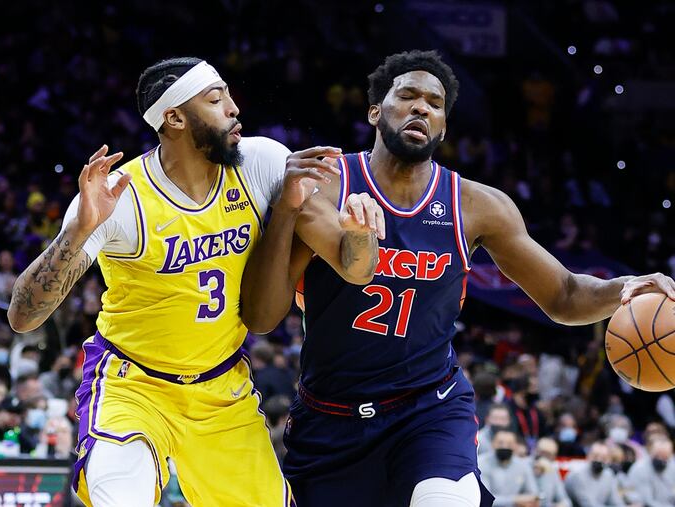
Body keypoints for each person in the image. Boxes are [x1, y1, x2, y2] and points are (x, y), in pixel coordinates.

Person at [243, 49, 675, 507]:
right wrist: (285, 212)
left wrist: (624, 287)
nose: (421, 108)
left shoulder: (476, 206)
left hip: (428, 411)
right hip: (330, 417)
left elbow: (564, 295)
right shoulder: (325, 185)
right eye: (407, 96)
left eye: (435, 103)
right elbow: (263, 319)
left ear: (444, 127)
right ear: (375, 112)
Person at [8, 57, 381, 507]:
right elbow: (23, 317)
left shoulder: (261, 161)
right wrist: (79, 230)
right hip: (134, 385)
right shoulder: (119, 195)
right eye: (215, 99)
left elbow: (355, 268)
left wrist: (358, 232)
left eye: (228, 95)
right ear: (175, 118)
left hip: (222, 389)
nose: (233, 108)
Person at [479, 429, 540, 507]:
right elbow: (484, 499)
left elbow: (533, 494)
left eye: (509, 444)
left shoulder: (523, 465)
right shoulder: (482, 463)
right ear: (492, 444)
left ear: (516, 446)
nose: (504, 446)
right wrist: (515, 500)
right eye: (500, 443)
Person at [564, 442, 625, 506]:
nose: (599, 460)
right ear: (588, 456)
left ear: (609, 460)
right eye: (595, 456)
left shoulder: (608, 475)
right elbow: (587, 504)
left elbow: (615, 501)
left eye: (603, 458)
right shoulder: (578, 475)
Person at [628, 437, 675, 506]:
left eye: (665, 457)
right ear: (650, 452)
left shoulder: (672, 465)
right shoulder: (640, 468)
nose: (662, 460)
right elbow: (647, 501)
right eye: (658, 456)